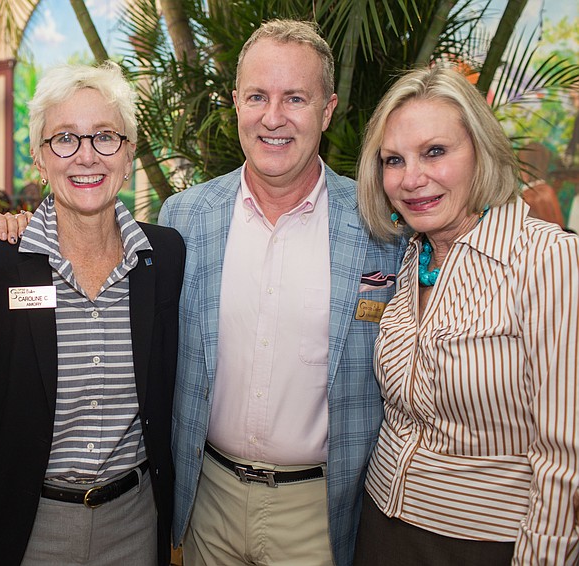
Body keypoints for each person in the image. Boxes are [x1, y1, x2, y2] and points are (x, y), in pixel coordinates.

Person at [158, 19, 403, 566]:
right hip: (209, 504)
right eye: (257, 96)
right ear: (236, 103)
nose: (273, 117)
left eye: (295, 97)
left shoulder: (379, 227)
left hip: (321, 514)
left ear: (328, 109)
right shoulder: (184, 218)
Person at [0, 62, 184, 565]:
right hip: (30, 526)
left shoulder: (165, 257)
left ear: (128, 155)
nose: (86, 156)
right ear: (40, 158)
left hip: (136, 519)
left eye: (105, 137)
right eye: (64, 138)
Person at [354, 65, 579, 564]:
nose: (412, 179)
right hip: (381, 526)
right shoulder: (413, 256)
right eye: (394, 160)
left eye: (435, 151)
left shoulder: (546, 259)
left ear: (480, 149)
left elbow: (566, 455)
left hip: (484, 543)